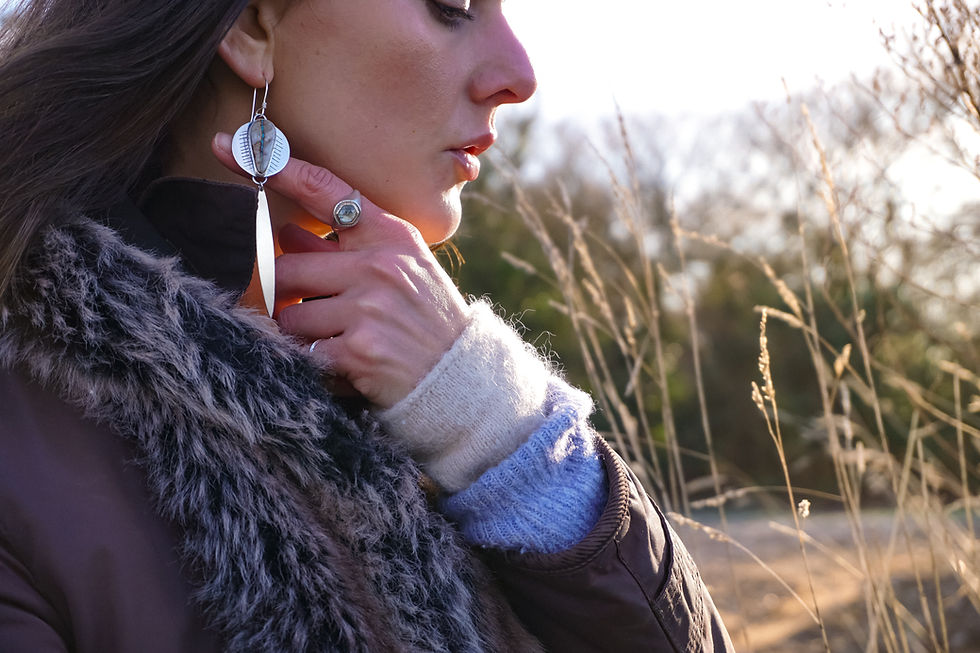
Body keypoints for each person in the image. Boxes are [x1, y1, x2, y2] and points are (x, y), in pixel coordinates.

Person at [0, 1, 735, 651]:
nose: (519, 76)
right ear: (251, 27)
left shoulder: (435, 376)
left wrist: (490, 422)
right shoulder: (23, 431)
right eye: (451, 5)